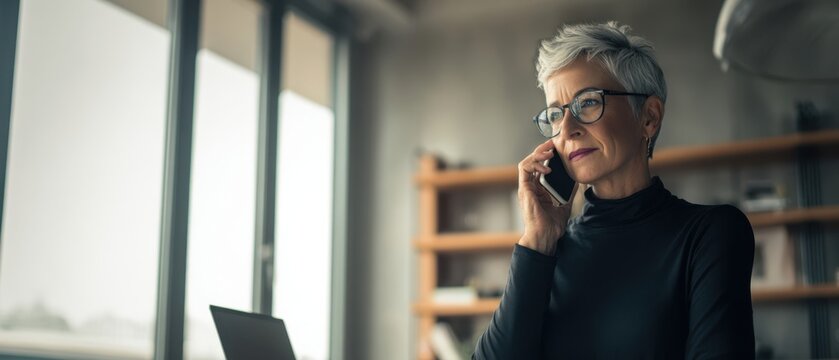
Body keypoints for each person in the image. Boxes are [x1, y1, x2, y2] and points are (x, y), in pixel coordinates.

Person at [473, 22, 755, 359]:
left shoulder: (709, 235)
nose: (568, 129)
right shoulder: (546, 253)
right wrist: (537, 240)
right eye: (556, 114)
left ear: (649, 117)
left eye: (588, 102)